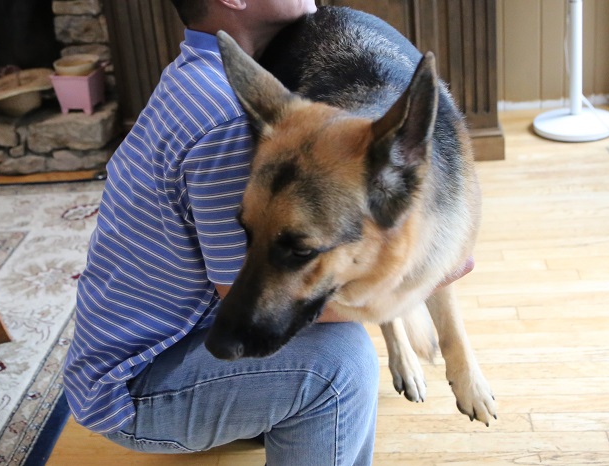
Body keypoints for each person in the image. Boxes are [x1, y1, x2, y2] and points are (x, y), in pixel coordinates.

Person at [63, 1, 473, 464]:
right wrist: (421, 282)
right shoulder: (223, 126)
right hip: (134, 390)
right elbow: (240, 300)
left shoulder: (200, 79)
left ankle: (269, 410)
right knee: (339, 362)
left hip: (133, 352)